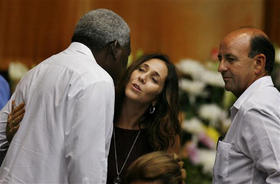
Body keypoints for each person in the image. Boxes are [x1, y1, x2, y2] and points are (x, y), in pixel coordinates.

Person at [5, 53, 181, 183]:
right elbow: (51, 151)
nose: (142, 78)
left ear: (158, 98)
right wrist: (16, 137)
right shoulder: (96, 114)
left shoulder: (158, 139)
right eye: (141, 69)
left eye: (154, 79)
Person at [0, 8, 130, 183]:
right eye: (126, 56)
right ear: (115, 48)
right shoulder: (98, 80)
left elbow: (1, 133)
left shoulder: (38, 70)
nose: (125, 66)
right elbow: (86, 165)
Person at [213, 27, 280, 183]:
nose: (221, 68)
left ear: (258, 63)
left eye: (230, 59)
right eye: (220, 59)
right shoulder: (263, 100)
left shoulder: (256, 109)